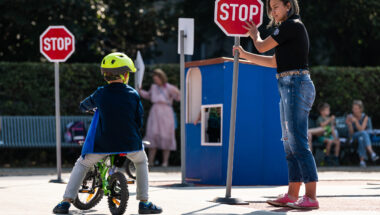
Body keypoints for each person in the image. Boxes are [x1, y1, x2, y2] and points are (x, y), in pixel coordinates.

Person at [233, 0, 319, 209]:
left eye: (276, 6)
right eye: (271, 7)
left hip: (296, 84)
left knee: (297, 141)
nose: (273, 11)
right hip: (289, 83)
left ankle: (311, 197)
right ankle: (292, 194)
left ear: (289, 6)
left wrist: (255, 36)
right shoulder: (287, 30)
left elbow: (262, 46)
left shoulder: (292, 25)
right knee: (289, 142)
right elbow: (273, 62)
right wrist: (246, 55)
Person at [53, 53, 162, 214]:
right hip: (129, 143)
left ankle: (65, 202)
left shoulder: (101, 93)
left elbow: (83, 105)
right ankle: (144, 203)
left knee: (82, 164)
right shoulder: (133, 94)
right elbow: (139, 119)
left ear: (105, 76)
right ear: (125, 75)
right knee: (141, 162)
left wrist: (92, 108)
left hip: (102, 144)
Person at [139, 69, 180, 167]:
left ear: (162, 78)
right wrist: (140, 91)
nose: (156, 81)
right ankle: (150, 161)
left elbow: (178, 98)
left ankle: (165, 162)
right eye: (154, 79)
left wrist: (177, 90)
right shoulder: (153, 87)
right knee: (153, 134)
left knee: (166, 136)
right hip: (155, 112)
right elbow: (149, 96)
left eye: (157, 79)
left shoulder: (169, 87)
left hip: (166, 112)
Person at [346, 100, 379, 167]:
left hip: (365, 136)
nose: (354, 110)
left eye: (356, 109)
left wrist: (356, 122)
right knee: (363, 134)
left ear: (360, 109)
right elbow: (351, 133)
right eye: (353, 108)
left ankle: (362, 161)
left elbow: (361, 129)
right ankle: (372, 153)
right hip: (354, 136)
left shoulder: (365, 117)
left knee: (361, 138)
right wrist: (350, 124)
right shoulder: (350, 117)